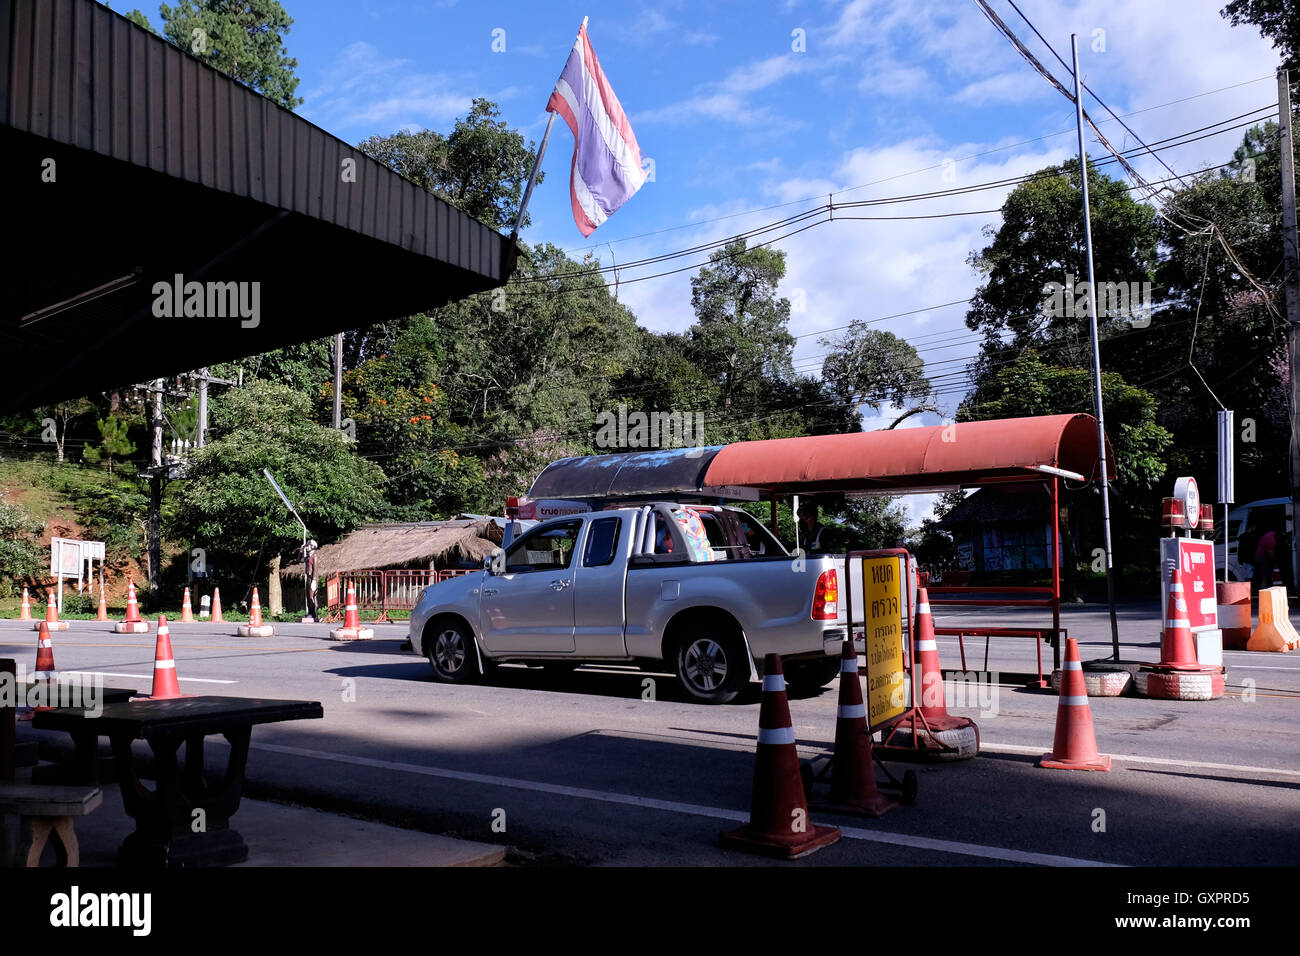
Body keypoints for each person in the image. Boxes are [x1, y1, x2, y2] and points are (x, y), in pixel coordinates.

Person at [1253, 528, 1278, 593]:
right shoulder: (1272, 540)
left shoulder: (1268, 534)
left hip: (1258, 557)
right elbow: (1271, 553)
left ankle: (1264, 588)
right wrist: (1275, 560)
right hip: (1262, 558)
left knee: (1263, 574)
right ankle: (1264, 590)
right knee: (1266, 574)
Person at [302, 539, 320, 621]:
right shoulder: (308, 557)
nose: (307, 547)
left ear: (313, 547)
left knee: (311, 596)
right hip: (309, 578)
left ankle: (313, 614)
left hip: (313, 578)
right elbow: (300, 560)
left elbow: (315, 569)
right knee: (309, 596)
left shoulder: (314, 556)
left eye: (308, 545)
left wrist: (314, 580)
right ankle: (312, 613)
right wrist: (301, 551)